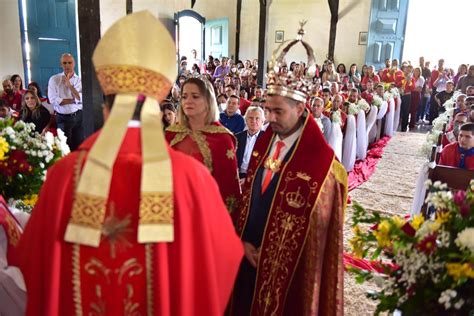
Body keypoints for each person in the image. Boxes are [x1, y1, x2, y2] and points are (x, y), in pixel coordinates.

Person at [14, 12, 243, 315]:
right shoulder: (191, 178)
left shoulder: (64, 175)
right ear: (157, 108)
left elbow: (30, 264)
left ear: (106, 110)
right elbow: (224, 259)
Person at [228, 27, 347, 316]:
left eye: (277, 112)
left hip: (289, 276)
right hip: (246, 258)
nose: (268, 118)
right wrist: (240, 242)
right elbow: (249, 201)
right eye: (267, 109)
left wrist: (272, 255)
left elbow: (320, 238)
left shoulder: (323, 165)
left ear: (301, 108)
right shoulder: (265, 143)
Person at [165, 77, 241, 212]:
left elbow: (229, 189)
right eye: (184, 96)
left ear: (208, 101)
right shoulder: (171, 134)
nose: (188, 101)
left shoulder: (222, 139)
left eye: (195, 96)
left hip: (205, 212)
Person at [48, 53, 84, 150]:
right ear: (61, 65)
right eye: (64, 63)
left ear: (74, 63)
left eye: (70, 62)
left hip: (78, 116)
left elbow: (81, 99)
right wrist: (73, 100)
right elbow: (53, 100)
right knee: (65, 148)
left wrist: (69, 86)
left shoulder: (79, 80)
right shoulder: (54, 79)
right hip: (63, 118)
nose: (67, 65)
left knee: (79, 145)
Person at [235, 106, 264, 179]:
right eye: (251, 118)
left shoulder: (267, 139)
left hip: (256, 178)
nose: (254, 121)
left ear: (262, 121)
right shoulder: (237, 138)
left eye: (257, 118)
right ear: (245, 120)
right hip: (237, 176)